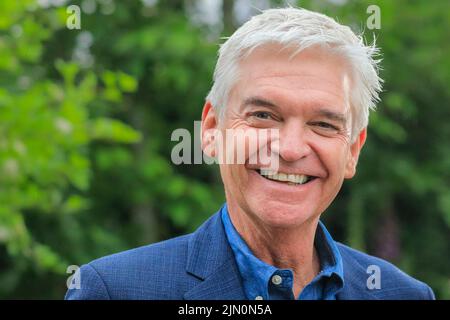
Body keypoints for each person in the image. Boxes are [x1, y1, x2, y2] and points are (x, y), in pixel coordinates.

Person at [65, 7, 435, 300]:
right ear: (211, 131)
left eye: (323, 124)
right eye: (263, 116)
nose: (290, 150)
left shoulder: (404, 294)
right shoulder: (115, 290)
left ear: (352, 150)